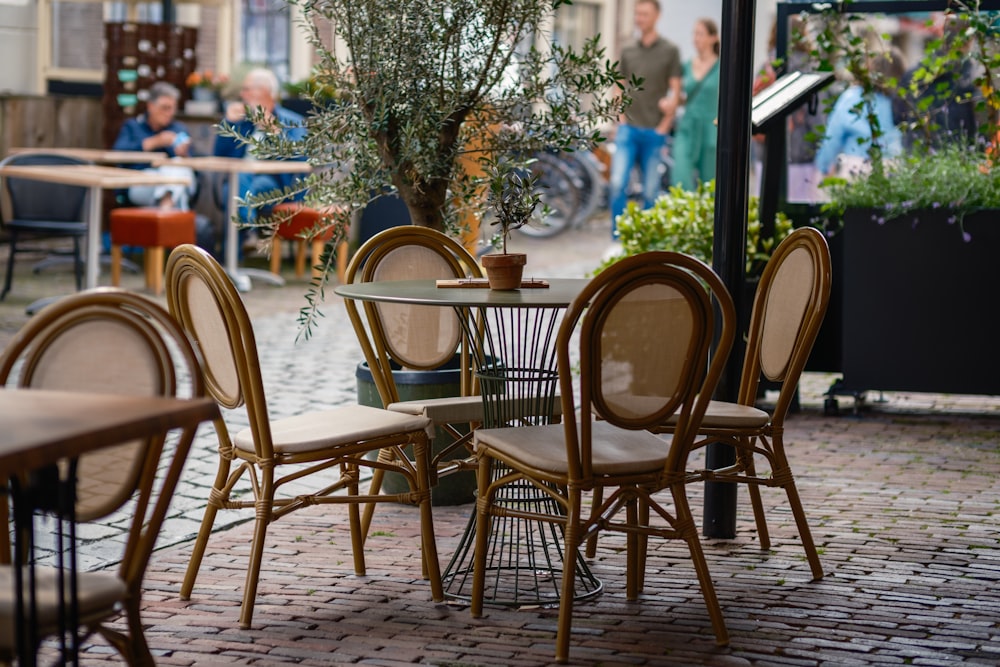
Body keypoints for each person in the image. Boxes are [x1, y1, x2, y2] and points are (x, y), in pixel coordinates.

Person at [608, 0, 682, 240]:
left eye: (644, 14)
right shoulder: (628, 49)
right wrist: (620, 118)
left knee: (650, 190)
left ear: (656, 16)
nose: (639, 18)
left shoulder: (670, 50)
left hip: (654, 132)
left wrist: (664, 126)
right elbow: (618, 85)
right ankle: (619, 236)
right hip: (628, 129)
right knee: (618, 183)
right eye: (637, 14)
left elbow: (675, 90)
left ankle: (646, 239)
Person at [214, 67, 307, 225]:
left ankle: (241, 234)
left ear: (264, 91)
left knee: (236, 192)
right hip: (238, 178)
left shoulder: (292, 121)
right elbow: (219, 154)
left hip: (275, 184)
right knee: (235, 187)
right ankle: (245, 226)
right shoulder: (241, 119)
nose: (242, 95)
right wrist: (229, 123)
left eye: (246, 89)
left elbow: (300, 158)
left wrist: (272, 129)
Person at [814, 49, 905, 180]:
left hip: (855, 169)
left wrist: (823, 167)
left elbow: (833, 137)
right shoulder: (900, 101)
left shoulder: (852, 97)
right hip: (893, 170)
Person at [112, 81, 197, 210]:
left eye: (172, 108)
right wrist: (154, 142)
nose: (169, 113)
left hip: (178, 179)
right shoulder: (132, 126)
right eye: (165, 108)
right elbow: (117, 155)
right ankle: (169, 212)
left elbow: (192, 167)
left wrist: (183, 153)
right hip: (142, 182)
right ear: (150, 106)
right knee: (179, 192)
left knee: (178, 168)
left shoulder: (179, 129)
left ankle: (165, 208)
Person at [670, 18, 721, 191]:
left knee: (710, 183)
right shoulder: (686, 65)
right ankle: (685, 215)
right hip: (688, 127)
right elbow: (679, 96)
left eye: (700, 34)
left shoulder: (723, 67)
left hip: (711, 128)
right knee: (680, 177)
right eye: (694, 34)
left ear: (713, 38)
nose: (695, 38)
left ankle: (708, 217)